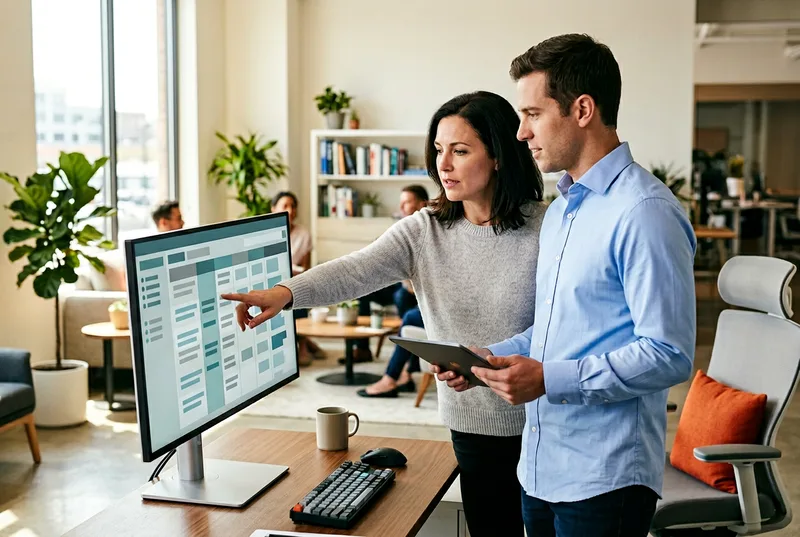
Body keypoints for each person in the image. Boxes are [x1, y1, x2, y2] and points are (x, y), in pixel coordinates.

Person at [221, 90, 547, 537]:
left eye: (461, 150)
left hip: (547, 419)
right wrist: (284, 293)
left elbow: (563, 321)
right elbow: (356, 270)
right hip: (472, 422)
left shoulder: (547, 226)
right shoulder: (424, 230)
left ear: (498, 157)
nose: (443, 165)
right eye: (438, 150)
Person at [438, 34, 697, 537]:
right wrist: (487, 358)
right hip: (540, 468)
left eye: (533, 114)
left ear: (582, 109)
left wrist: (549, 379)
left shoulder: (644, 213)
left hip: (605, 479)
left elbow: (669, 353)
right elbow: (556, 331)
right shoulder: (563, 212)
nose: (520, 133)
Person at [351, 184, 429, 363]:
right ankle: (362, 348)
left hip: (412, 286)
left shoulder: (428, 229)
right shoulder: (400, 226)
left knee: (402, 296)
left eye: (407, 202)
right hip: (396, 280)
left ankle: (409, 355)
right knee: (363, 291)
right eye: (400, 203)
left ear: (422, 204)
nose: (401, 208)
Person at [270, 191, 318, 365]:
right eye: (285, 206)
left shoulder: (303, 234)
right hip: (271, 283)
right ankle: (305, 343)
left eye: (293, 206)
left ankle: (303, 344)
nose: (290, 210)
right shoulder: (266, 235)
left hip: (293, 281)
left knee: (298, 289)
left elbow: (306, 268)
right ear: (273, 209)